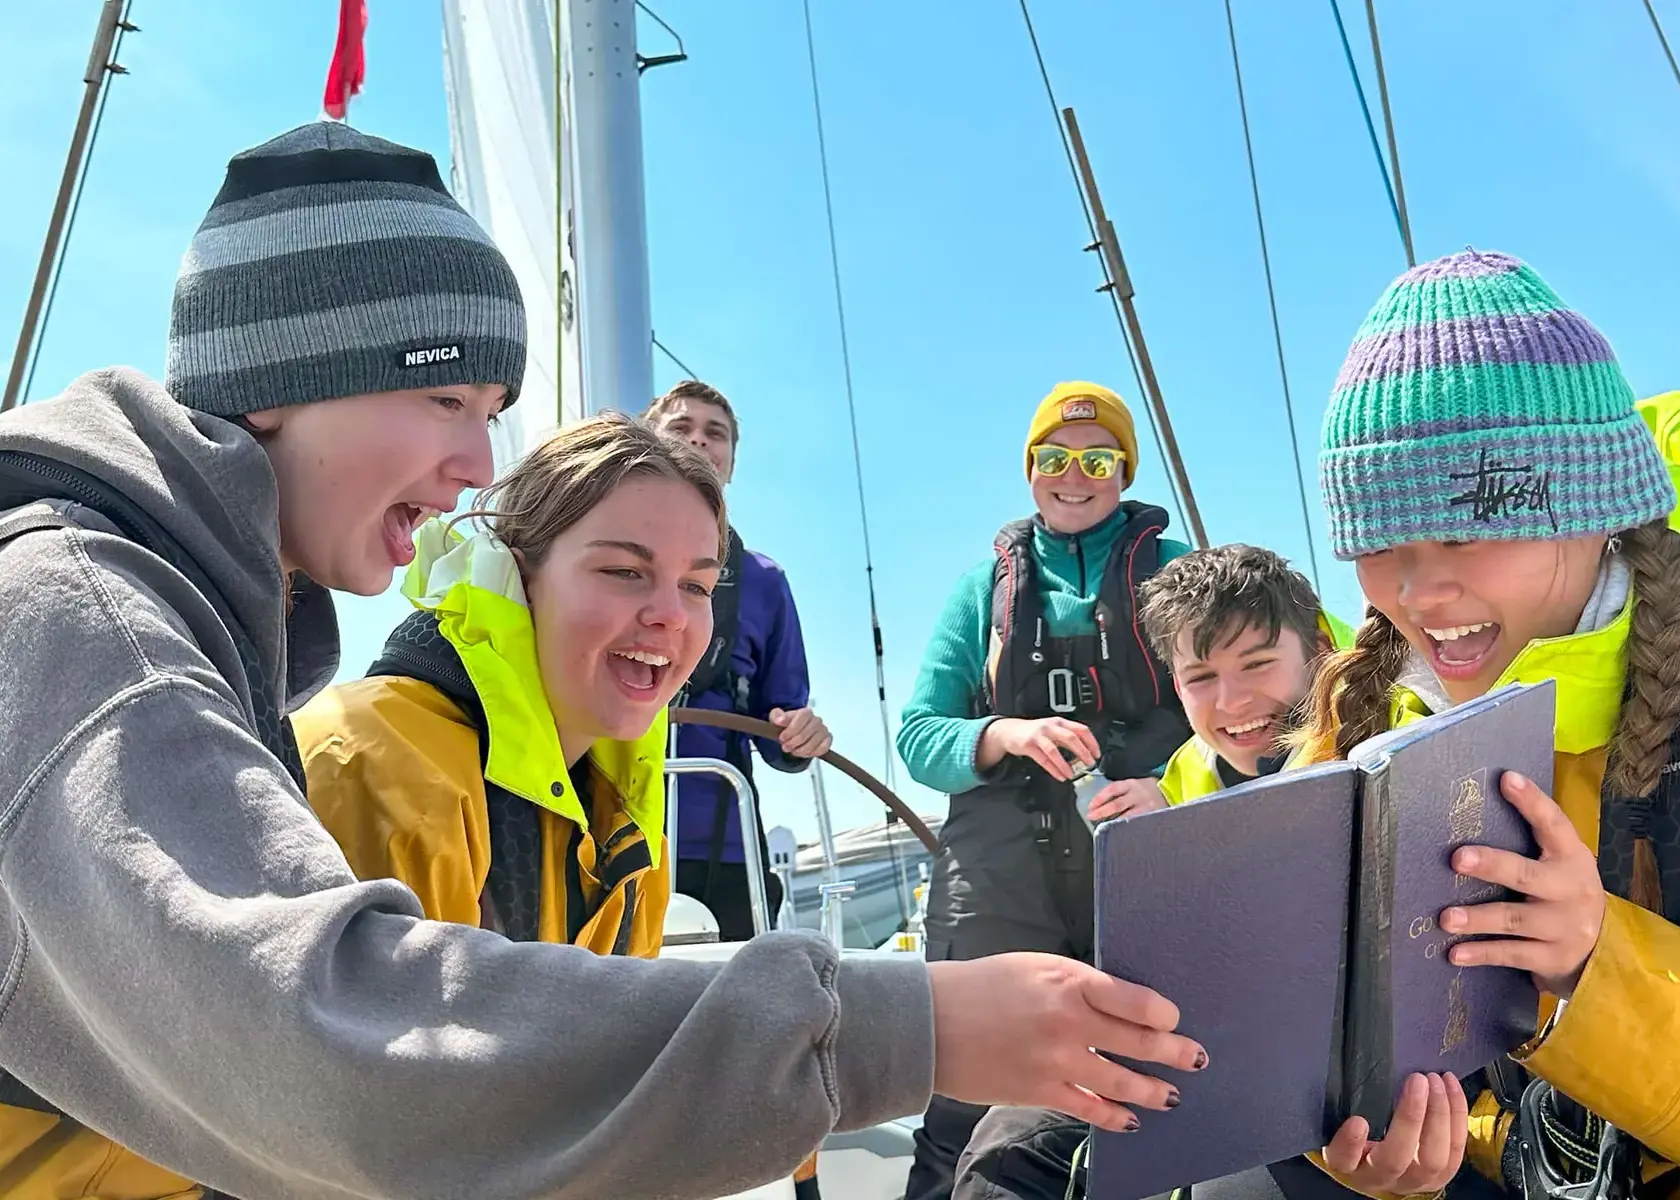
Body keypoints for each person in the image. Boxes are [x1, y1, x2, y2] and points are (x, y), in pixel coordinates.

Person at [0, 121, 1206, 1200]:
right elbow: (316, 1056)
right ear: (289, 379)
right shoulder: (97, 628)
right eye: (447, 400)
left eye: (696, 586)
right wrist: (909, 1027)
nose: (479, 463)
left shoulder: (204, 634)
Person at [1294, 250, 1680, 1198]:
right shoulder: (1364, 713)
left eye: (1462, 533)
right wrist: (1375, 1149)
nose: (1418, 592)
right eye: (1373, 544)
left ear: (1595, 507)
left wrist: (1601, 961)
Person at [952, 545, 1373, 1200]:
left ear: (1317, 647)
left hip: (1334, 1083)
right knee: (1009, 1145)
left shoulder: (1372, 743)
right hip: (1209, 1053)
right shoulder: (1186, 772)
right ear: (1175, 683)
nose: (1233, 701)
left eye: (1258, 664)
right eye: (1200, 677)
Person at [898, 382, 1198, 1200]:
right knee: (962, 1099)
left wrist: (1170, 788)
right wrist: (1004, 734)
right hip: (999, 880)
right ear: (1030, 468)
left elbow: (1249, 709)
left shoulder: (1178, 576)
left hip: (1136, 871)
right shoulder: (979, 593)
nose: (1075, 475)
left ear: (1124, 470)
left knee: (1143, 1076)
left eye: (1097, 459)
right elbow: (918, 737)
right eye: (1055, 458)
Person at [294, 411, 714, 968]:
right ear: (520, 580)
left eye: (696, 585)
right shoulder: (378, 767)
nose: (671, 615)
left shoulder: (631, 835)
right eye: (622, 571)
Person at [643, 379, 831, 942]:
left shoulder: (765, 582)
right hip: (603, 832)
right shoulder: (588, 556)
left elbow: (782, 720)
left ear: (730, 463)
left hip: (726, 849)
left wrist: (801, 733)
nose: (698, 441)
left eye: (715, 433)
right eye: (680, 427)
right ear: (644, 445)